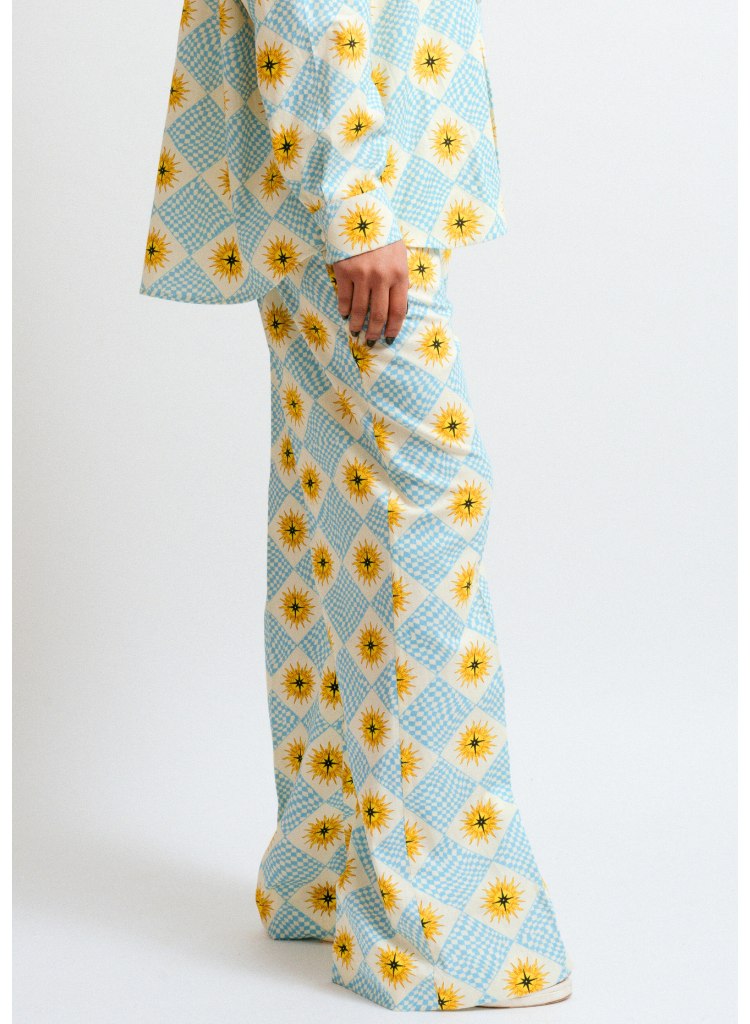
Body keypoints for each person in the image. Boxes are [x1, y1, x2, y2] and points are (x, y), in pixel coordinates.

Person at [141, 0, 572, 1010]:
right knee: (430, 495)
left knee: (338, 508)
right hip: (355, 206)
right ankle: (439, 930)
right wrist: (355, 209)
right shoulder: (355, 208)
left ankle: (331, 865)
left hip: (353, 190)